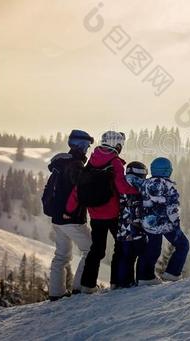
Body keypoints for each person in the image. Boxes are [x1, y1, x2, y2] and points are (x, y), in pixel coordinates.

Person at [65, 131, 138, 293]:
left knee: (97, 250)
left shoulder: (92, 159)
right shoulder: (115, 162)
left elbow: (79, 186)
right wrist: (137, 191)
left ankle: (87, 285)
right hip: (113, 214)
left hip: (95, 214)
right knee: (120, 246)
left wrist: (70, 208)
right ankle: (116, 282)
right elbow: (121, 186)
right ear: (117, 145)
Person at [44, 129, 94, 301]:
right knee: (91, 250)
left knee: (61, 255)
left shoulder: (60, 164)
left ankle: (56, 293)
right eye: (87, 145)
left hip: (57, 218)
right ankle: (79, 288)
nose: (87, 149)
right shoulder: (75, 165)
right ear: (80, 145)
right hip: (71, 218)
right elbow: (80, 189)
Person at [137, 157, 189, 284]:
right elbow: (172, 209)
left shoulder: (145, 184)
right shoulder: (168, 186)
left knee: (153, 249)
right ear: (167, 171)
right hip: (165, 224)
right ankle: (172, 273)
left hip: (148, 224)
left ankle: (145, 277)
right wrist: (176, 224)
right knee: (183, 245)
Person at [113, 161, 149, 288]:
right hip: (137, 229)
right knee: (143, 254)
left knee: (126, 257)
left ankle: (124, 282)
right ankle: (142, 279)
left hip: (123, 229)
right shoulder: (139, 186)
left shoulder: (121, 184)